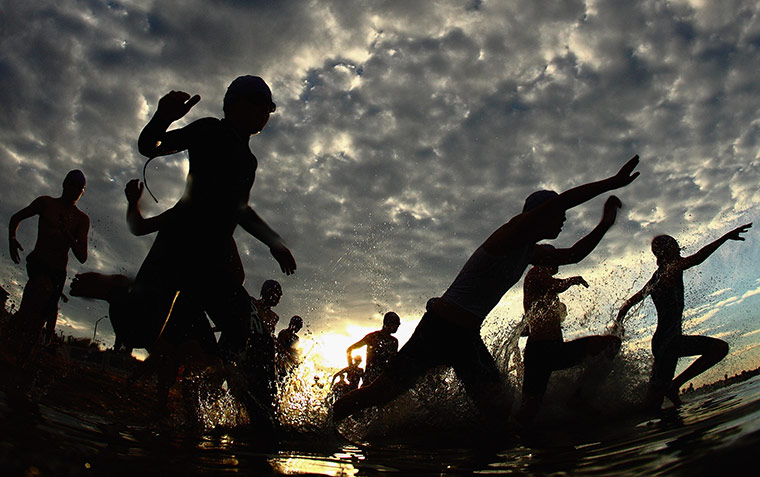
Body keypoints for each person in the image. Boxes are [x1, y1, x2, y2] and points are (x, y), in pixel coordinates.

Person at [333, 155, 641, 427]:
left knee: (499, 411)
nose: (563, 219)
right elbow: (562, 203)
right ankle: (324, 425)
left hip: (466, 338)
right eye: (557, 214)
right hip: (439, 329)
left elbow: (572, 255)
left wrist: (605, 224)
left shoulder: (529, 253)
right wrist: (612, 182)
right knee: (380, 394)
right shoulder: (509, 235)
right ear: (537, 215)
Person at [616, 223, 752, 410]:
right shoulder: (672, 268)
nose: (679, 248)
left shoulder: (657, 277)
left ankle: (614, 417)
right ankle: (674, 386)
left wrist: (619, 322)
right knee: (719, 348)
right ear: (666, 252)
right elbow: (698, 258)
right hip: (670, 342)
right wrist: (725, 237)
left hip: (663, 343)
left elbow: (630, 303)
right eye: (675, 245)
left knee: (651, 404)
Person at [517, 264, 621, 422]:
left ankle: (578, 398)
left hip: (549, 350)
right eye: (555, 257)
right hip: (542, 351)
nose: (559, 262)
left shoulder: (541, 291)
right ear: (546, 259)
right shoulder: (538, 270)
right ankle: (578, 398)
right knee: (529, 411)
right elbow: (556, 285)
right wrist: (573, 280)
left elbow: (529, 325)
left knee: (529, 410)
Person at [6, 170, 89, 363]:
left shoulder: (81, 219)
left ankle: (22, 358)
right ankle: (11, 338)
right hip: (38, 262)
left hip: (58, 272)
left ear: (82, 192)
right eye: (72, 185)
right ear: (64, 185)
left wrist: (68, 235)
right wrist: (12, 238)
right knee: (40, 292)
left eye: (79, 188)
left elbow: (82, 256)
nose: (75, 190)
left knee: (40, 319)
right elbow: (16, 218)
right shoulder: (46, 203)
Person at [346, 311, 400, 386]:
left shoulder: (394, 342)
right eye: (396, 324)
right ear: (388, 323)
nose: (397, 327)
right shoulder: (372, 337)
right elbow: (349, 349)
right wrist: (351, 367)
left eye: (398, 325)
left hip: (384, 380)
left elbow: (394, 362)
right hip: (369, 380)